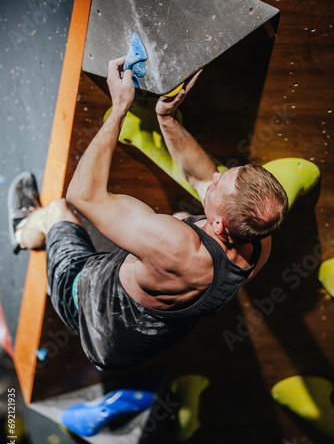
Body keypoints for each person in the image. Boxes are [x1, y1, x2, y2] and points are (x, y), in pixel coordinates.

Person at [9, 57, 288, 370]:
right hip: (140, 345)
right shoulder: (260, 240)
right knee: (184, 218)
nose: (215, 175)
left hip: (93, 316)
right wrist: (167, 118)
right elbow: (199, 177)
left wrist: (119, 107)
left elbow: (83, 195)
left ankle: (23, 231)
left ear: (220, 224)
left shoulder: (174, 245)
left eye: (219, 183)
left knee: (58, 212)